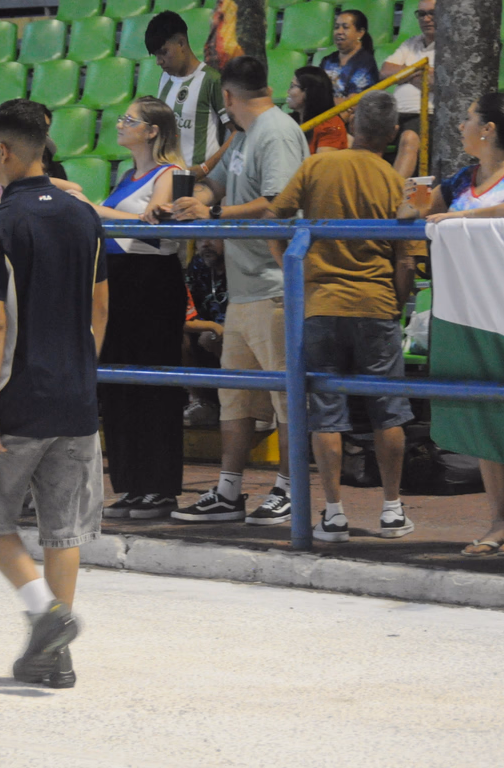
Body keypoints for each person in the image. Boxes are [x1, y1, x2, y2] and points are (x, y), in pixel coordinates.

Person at [0, 99, 109, 687]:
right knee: (63, 531)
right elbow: (100, 309)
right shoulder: (85, 216)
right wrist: (79, 370)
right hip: (77, 395)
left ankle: (47, 618)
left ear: (1, 152)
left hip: (18, 395)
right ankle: (54, 655)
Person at [265, 91, 415, 542]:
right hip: (375, 304)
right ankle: (392, 510)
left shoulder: (317, 165)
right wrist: (396, 305)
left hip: (321, 304)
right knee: (388, 411)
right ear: (390, 134)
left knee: (326, 413)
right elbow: (405, 261)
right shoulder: (392, 179)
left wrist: (294, 272)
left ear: (353, 124)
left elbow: (275, 218)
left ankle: (333, 513)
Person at [169, 56, 309, 525]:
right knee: (234, 396)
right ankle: (229, 491)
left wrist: (215, 216)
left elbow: (278, 203)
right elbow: (215, 182)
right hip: (244, 289)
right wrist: (197, 201)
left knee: (286, 396)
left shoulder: (278, 131)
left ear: (227, 97)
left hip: (275, 287)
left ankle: (289, 490)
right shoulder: (245, 135)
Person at [414, 93, 504, 556]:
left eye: (468, 118)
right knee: (487, 418)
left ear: (488, 129)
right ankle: (497, 521)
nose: (461, 126)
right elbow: (411, 213)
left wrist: (459, 218)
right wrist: (415, 188)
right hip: (470, 309)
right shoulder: (457, 180)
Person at [70, 96, 188, 521]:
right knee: (120, 385)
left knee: (153, 383)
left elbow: (152, 226)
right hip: (118, 280)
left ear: (153, 131)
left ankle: (159, 486)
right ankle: (133, 483)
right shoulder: (126, 175)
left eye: (129, 119)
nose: (120, 124)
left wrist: (87, 207)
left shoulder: (171, 173)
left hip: (152, 283)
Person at [146, 11, 230, 176]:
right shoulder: (164, 78)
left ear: (181, 43)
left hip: (201, 182)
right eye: (156, 55)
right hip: (166, 177)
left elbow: (237, 132)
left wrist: (206, 168)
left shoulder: (210, 80)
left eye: (163, 52)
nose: (159, 61)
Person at [379, 0, 436, 179]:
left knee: (409, 137)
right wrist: (419, 71)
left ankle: (392, 196)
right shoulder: (411, 43)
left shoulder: (451, 46)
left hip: (424, 113)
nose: (426, 18)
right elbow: (385, 72)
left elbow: (434, 81)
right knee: (356, 133)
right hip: (394, 113)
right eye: (421, 14)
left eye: (432, 13)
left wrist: (403, 74)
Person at [182, 238, 229, 427]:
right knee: (175, 336)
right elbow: (185, 314)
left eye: (212, 237)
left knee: (213, 339)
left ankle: (248, 401)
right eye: (200, 238)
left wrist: (216, 329)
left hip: (238, 329)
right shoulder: (198, 264)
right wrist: (210, 326)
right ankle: (201, 401)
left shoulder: (239, 264)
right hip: (207, 330)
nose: (205, 244)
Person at [320, 11, 379, 108]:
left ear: (360, 33)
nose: (339, 31)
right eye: (337, 27)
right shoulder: (327, 61)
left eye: (345, 27)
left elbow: (353, 104)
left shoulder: (365, 63)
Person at [287, 66, 348, 155]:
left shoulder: (331, 126)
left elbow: (322, 165)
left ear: (308, 92)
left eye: (292, 86)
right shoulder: (290, 120)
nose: (288, 91)